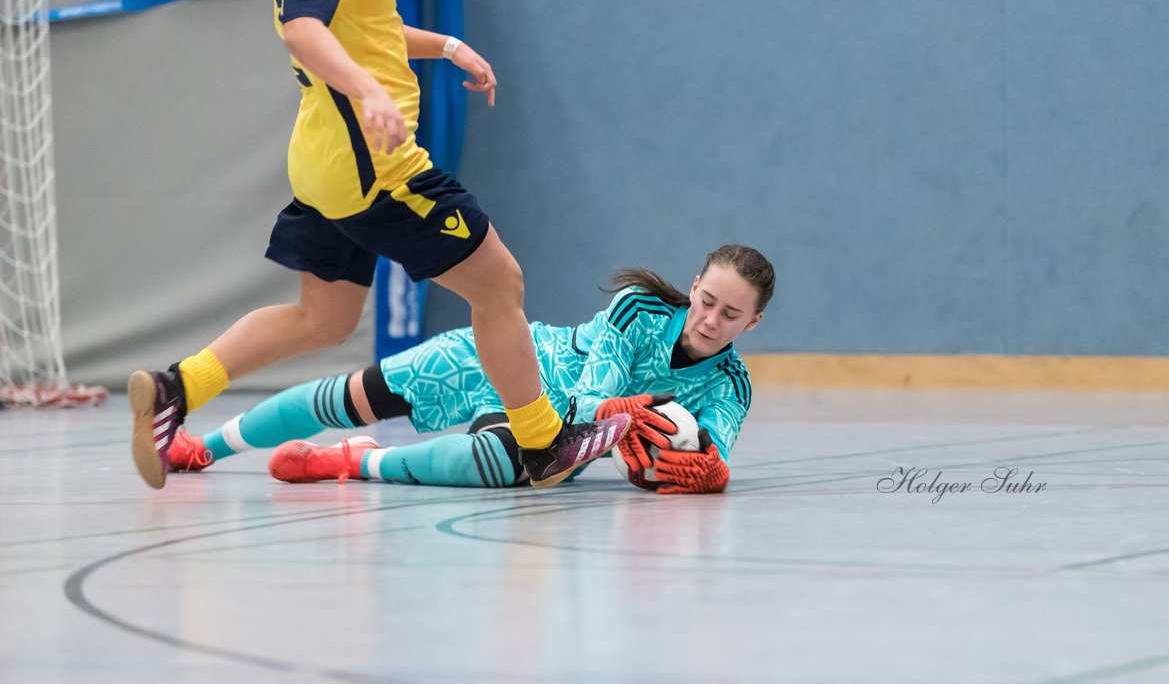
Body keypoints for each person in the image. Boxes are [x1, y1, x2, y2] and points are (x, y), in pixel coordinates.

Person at [128, 0, 639, 491]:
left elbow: (373, 30)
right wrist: (369, 92)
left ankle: (177, 388)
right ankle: (542, 443)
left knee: (324, 319)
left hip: (323, 170)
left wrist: (449, 48)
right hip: (377, 172)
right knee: (500, 284)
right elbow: (304, 32)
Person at [167, 245, 775, 494]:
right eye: (706, 301)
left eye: (730, 315)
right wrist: (613, 413)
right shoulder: (639, 307)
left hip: (549, 428)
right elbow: (597, 394)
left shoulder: (732, 385)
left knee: (489, 465)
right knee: (350, 394)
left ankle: (351, 462)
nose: (710, 320)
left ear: (752, 324)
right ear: (692, 288)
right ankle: (204, 449)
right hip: (515, 355)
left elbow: (712, 452)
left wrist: (704, 473)